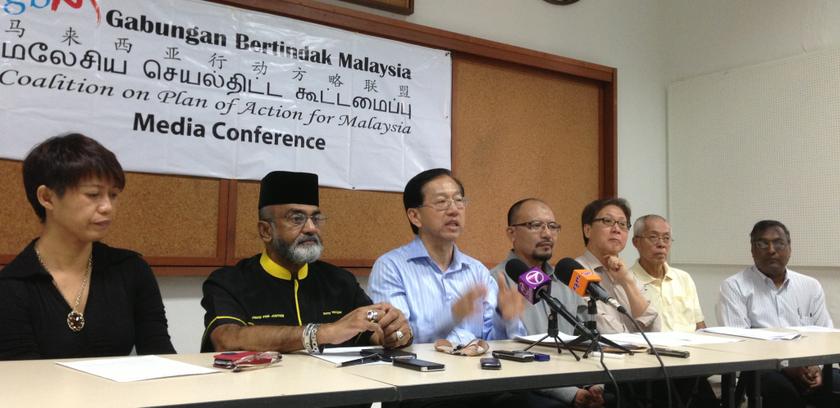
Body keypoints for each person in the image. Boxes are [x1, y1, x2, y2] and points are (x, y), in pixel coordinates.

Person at [0, 133, 175, 360]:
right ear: (47, 198)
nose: (107, 207)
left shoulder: (131, 270)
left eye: (113, 195)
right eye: (93, 194)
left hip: (124, 396)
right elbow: (21, 380)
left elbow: (159, 354)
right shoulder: (12, 286)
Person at [201, 170, 411, 353]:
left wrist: (392, 332)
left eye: (316, 218)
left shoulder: (340, 281)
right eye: (297, 219)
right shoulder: (229, 281)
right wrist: (323, 332)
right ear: (266, 231)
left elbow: (372, 332)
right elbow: (227, 339)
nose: (311, 228)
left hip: (335, 396)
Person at [368, 168, 525, 345]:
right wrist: (452, 315)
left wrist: (506, 318)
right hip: (419, 372)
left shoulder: (477, 271)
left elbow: (494, 344)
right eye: (442, 202)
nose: (454, 210)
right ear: (415, 216)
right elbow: (397, 338)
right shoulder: (390, 267)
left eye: (459, 201)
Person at [490, 198, 603, 408]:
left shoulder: (567, 279)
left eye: (552, 226)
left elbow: (586, 342)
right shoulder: (496, 282)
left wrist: (595, 385)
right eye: (535, 225)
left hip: (574, 381)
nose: (547, 234)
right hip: (521, 388)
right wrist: (570, 393)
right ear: (511, 233)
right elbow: (506, 357)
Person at [718, 220, 839, 408]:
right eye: (762, 244)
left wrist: (817, 367)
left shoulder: (810, 286)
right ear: (752, 250)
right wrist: (788, 367)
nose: (771, 249)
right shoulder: (735, 286)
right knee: (783, 393)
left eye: (778, 243)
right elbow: (739, 345)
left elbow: (826, 336)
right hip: (762, 370)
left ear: (789, 248)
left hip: (809, 366)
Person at [630, 214, 717, 408]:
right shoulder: (628, 281)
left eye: (666, 238)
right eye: (653, 237)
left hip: (690, 363)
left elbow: (699, 325)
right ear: (636, 242)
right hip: (653, 367)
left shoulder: (683, 278)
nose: (661, 244)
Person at [575, 198, 659, 334]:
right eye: (607, 221)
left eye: (623, 224)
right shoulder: (575, 272)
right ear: (588, 230)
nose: (616, 229)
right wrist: (639, 336)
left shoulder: (627, 274)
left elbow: (653, 327)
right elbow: (603, 329)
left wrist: (627, 282)